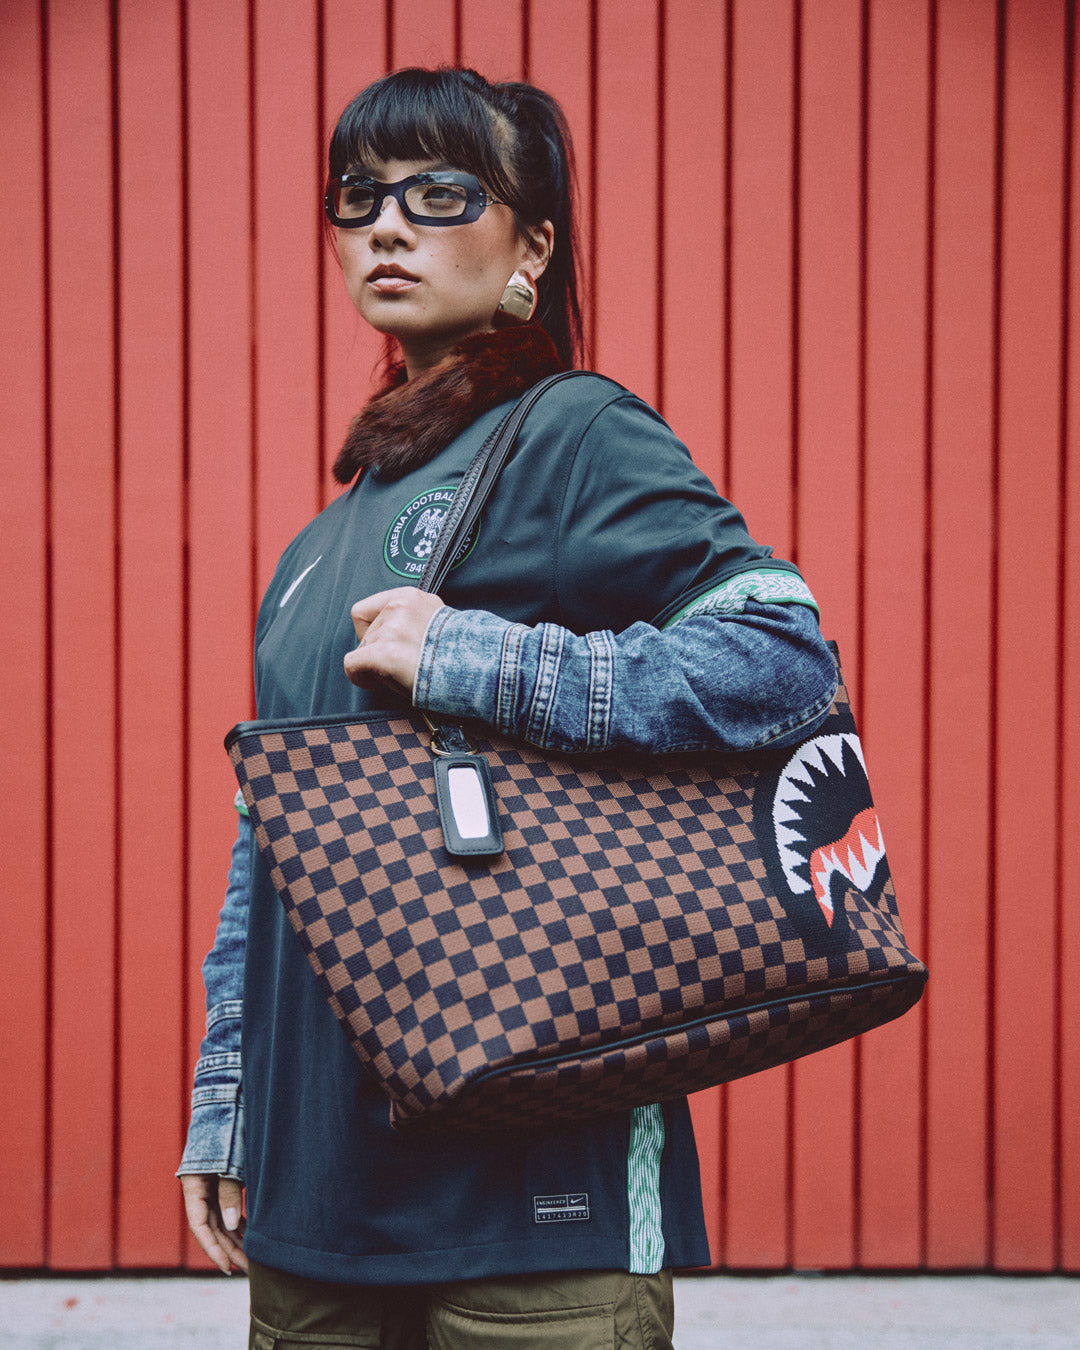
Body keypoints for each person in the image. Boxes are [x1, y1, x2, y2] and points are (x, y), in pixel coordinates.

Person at [178, 65, 837, 1350]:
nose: (387, 224)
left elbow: (783, 658)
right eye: (359, 195)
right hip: (316, 1192)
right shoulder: (315, 547)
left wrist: (480, 660)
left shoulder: (575, 432)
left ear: (532, 243)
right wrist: (228, 1095)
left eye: (439, 194)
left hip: (541, 1200)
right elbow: (273, 844)